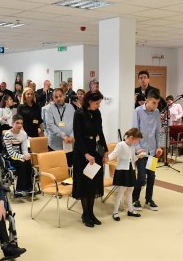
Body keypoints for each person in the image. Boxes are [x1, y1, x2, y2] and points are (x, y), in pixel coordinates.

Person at [72, 91, 108, 227]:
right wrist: (86, 154)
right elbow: (78, 135)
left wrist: (105, 151)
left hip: (96, 149)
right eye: (96, 103)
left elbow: (100, 132)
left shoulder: (97, 113)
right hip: (82, 152)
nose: (98, 105)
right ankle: (85, 214)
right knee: (85, 184)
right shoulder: (79, 113)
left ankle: (92, 213)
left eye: (99, 103)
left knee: (94, 184)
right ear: (89, 101)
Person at [131, 89, 163, 211]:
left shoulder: (156, 112)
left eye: (157, 103)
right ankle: (135, 198)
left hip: (153, 151)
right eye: (154, 103)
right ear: (147, 101)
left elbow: (158, 132)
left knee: (151, 176)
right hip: (141, 152)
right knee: (141, 177)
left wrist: (159, 146)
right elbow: (134, 132)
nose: (156, 105)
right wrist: (138, 149)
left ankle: (149, 200)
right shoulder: (138, 111)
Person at [107, 128, 144, 221]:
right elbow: (113, 155)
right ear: (131, 137)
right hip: (122, 171)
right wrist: (105, 159)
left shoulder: (132, 146)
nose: (136, 142)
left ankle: (130, 210)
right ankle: (115, 212)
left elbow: (132, 159)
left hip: (131, 170)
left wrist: (138, 156)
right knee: (121, 192)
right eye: (137, 140)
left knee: (130, 190)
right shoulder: (121, 145)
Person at [3, 115, 33, 195]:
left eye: (21, 123)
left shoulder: (23, 133)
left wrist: (26, 155)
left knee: (28, 163)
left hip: (20, 154)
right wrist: (22, 157)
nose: (20, 125)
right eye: (17, 123)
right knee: (22, 164)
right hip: (10, 156)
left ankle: (29, 187)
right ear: (12, 124)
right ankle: (19, 189)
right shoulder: (8, 134)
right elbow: (10, 152)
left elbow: (24, 149)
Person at [45, 89, 75, 165]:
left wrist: (72, 136)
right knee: (57, 169)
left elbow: (76, 123)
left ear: (64, 96)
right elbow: (50, 125)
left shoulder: (70, 107)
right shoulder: (49, 109)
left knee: (69, 168)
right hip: (55, 146)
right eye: (56, 97)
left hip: (70, 144)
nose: (58, 98)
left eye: (60, 96)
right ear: (53, 99)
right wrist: (63, 135)